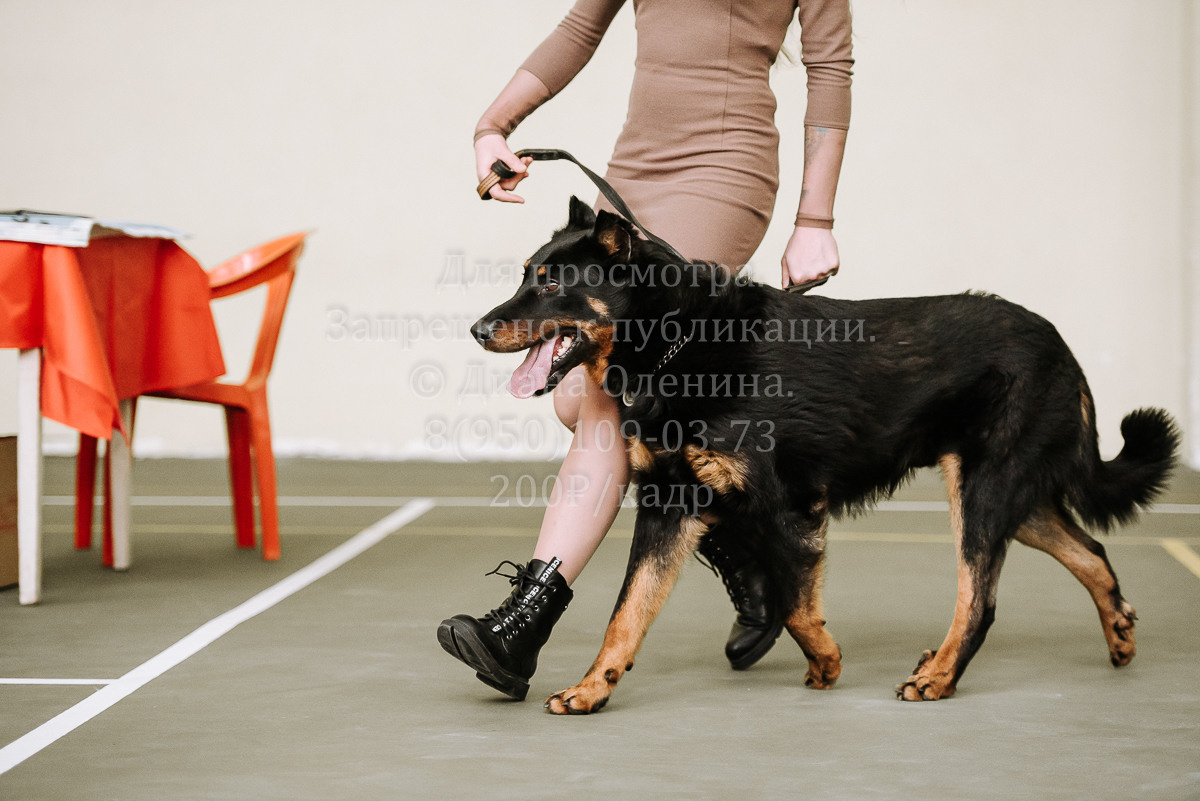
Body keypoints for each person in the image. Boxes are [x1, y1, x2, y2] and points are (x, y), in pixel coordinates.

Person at [438, 0, 853, 701]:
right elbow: (580, 27)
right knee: (576, 395)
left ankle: (523, 623)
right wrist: (493, 124)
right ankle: (748, 553)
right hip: (635, 168)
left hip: (725, 170)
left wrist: (815, 217)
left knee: (607, 397)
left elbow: (830, 67)